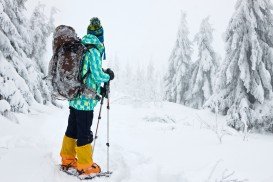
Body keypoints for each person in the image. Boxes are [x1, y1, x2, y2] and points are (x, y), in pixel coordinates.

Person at [59, 17, 114, 175]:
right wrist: (108, 76)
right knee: (84, 131)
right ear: (100, 37)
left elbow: (86, 73)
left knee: (72, 128)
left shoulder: (81, 47)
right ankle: (85, 165)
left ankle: (67, 159)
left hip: (74, 96)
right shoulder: (94, 50)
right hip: (85, 101)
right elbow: (96, 75)